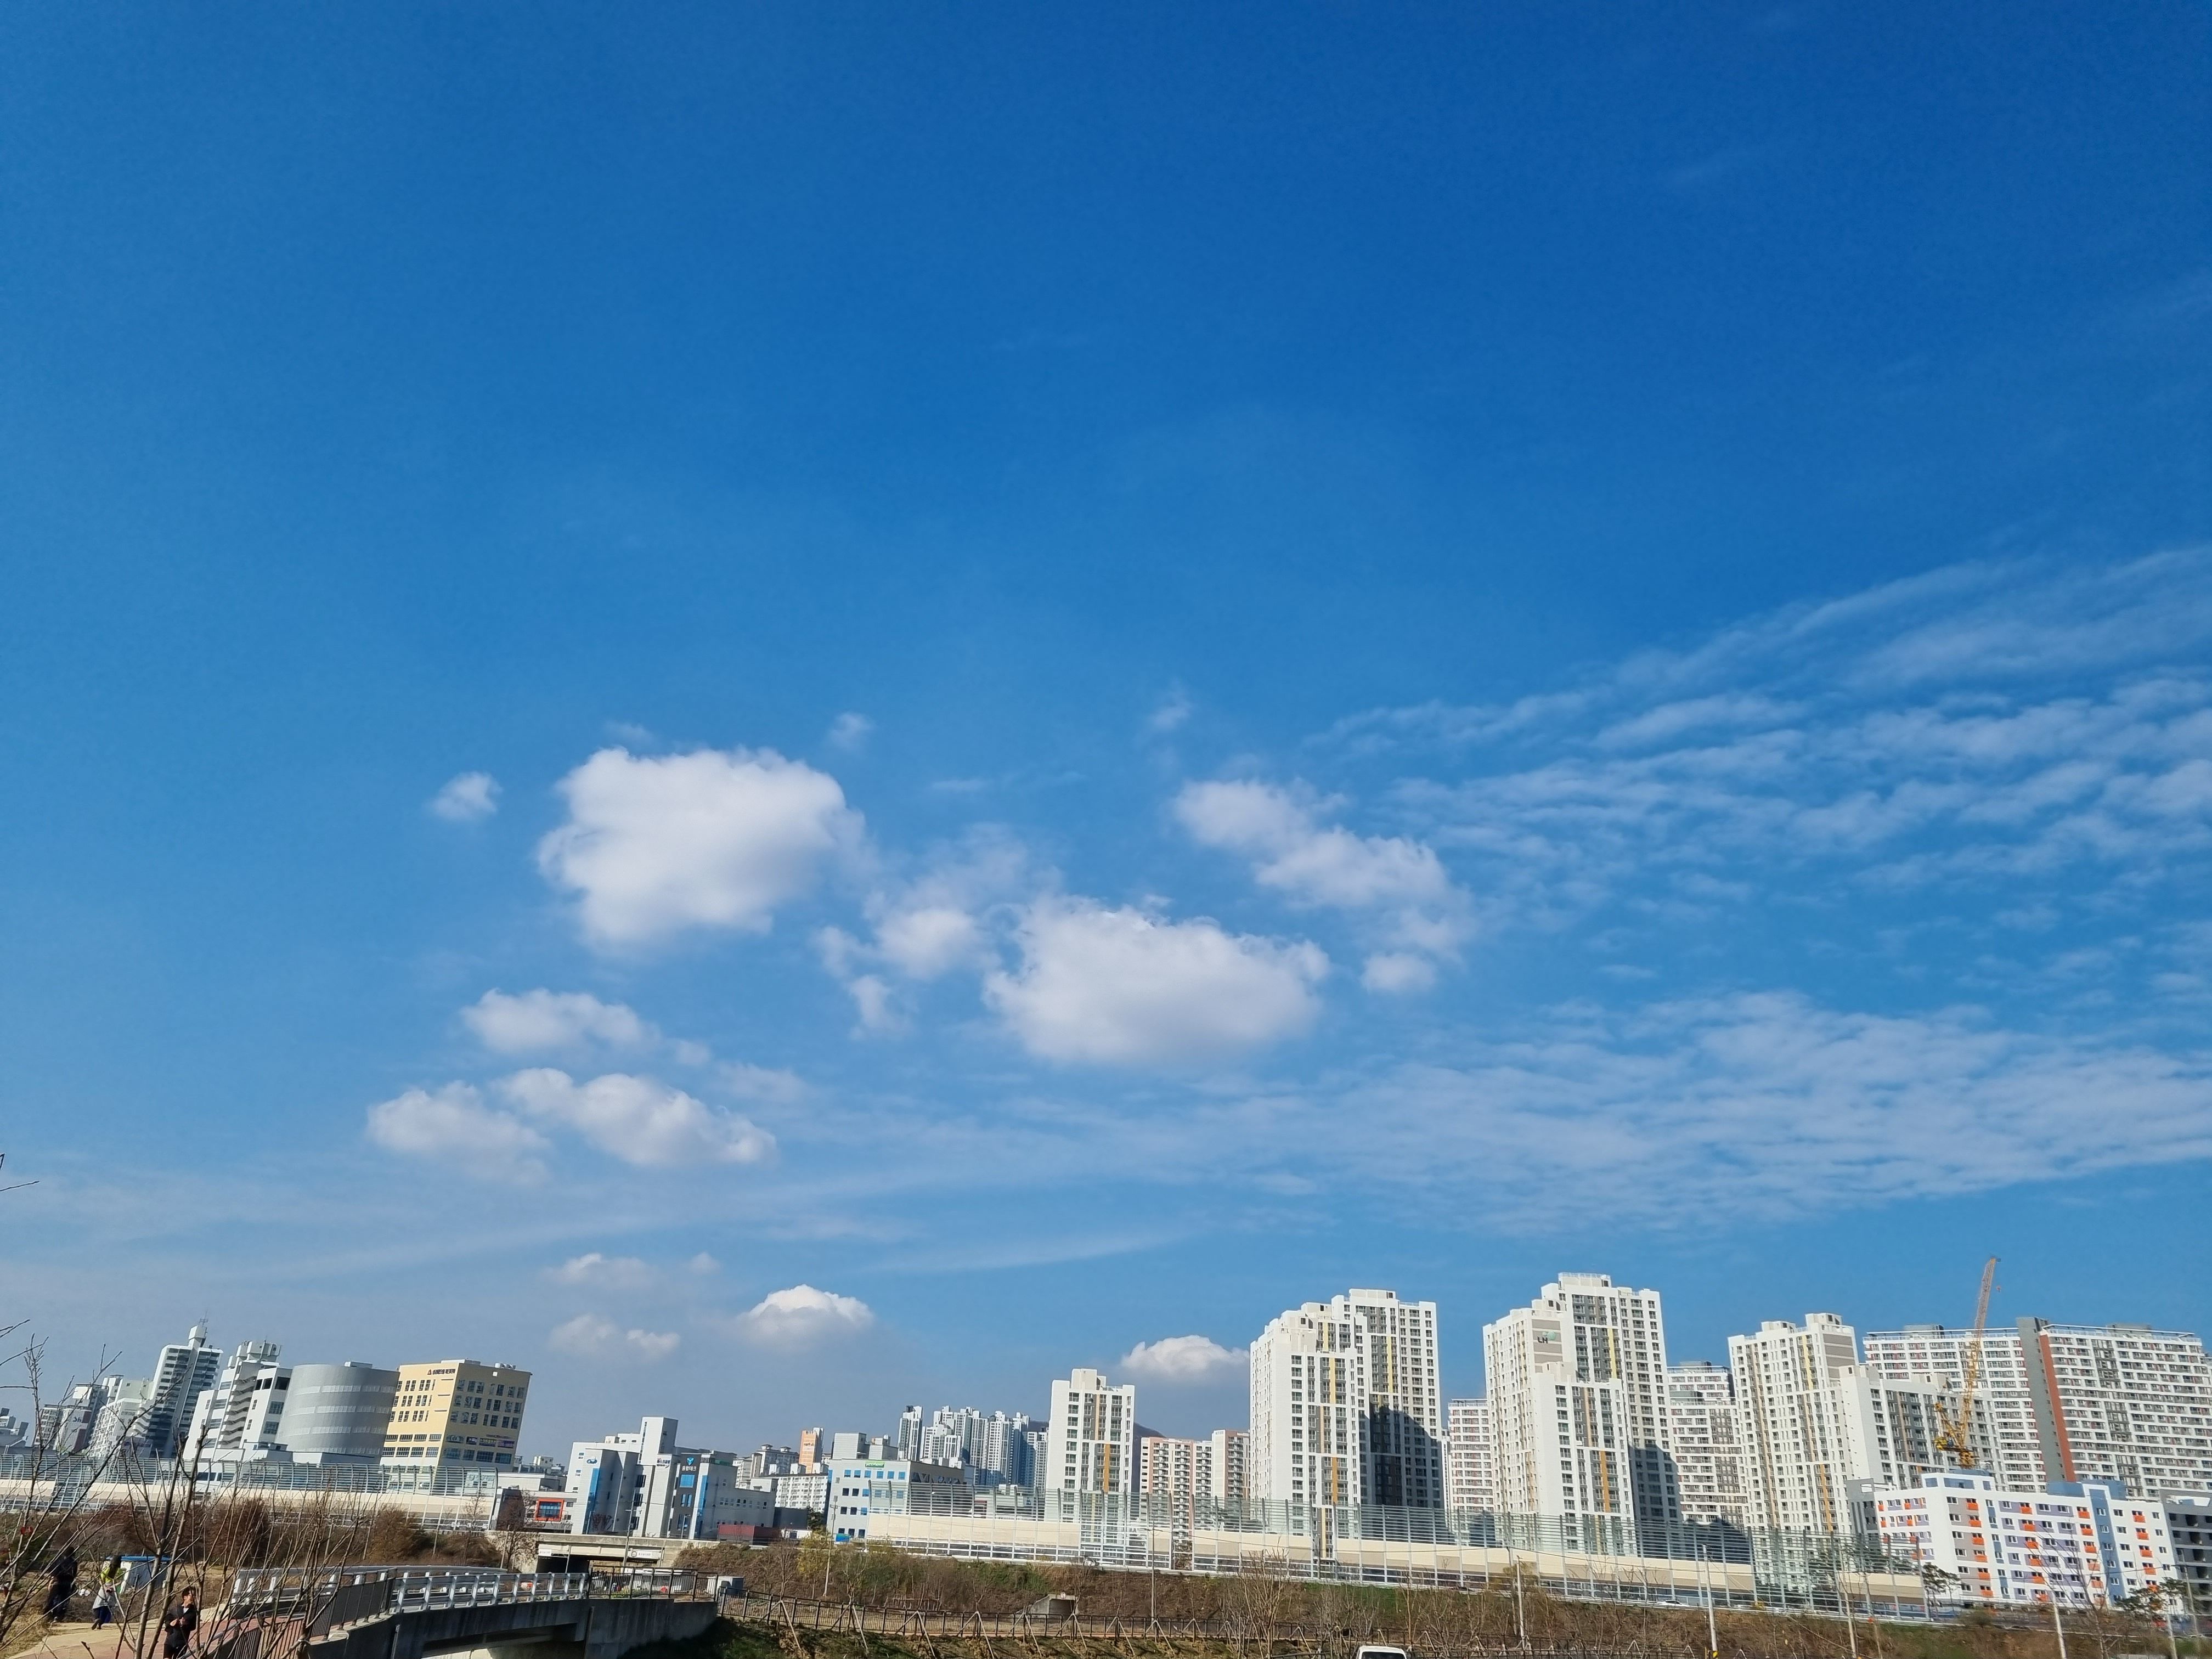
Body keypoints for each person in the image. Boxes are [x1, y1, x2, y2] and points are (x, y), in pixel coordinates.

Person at [161, 1586, 198, 1658]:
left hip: (182, 1643)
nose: (194, 1598)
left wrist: (186, 1623)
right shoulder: (175, 1609)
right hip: (170, 1641)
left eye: (195, 1596)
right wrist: (171, 1623)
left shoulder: (194, 1612)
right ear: (185, 1597)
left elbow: (193, 1627)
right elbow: (167, 1620)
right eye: (192, 1596)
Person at [44, 1546, 78, 1622]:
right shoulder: (74, 1563)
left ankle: (48, 1616)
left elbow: (54, 1573)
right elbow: (74, 1575)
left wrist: (51, 1582)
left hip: (58, 1582)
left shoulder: (60, 1561)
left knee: (53, 1599)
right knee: (63, 1600)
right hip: (68, 1584)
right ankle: (58, 1616)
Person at [92, 1556, 123, 1629]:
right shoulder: (120, 1571)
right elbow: (120, 1582)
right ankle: (100, 1623)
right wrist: (112, 1587)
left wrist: (105, 1587)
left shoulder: (107, 1569)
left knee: (97, 1605)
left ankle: (97, 1618)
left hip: (104, 1589)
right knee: (107, 1607)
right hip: (113, 1590)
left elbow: (101, 1580)